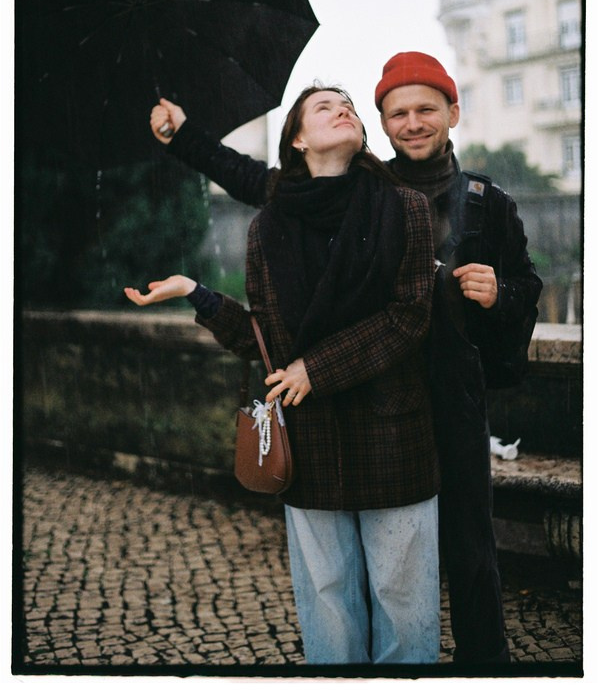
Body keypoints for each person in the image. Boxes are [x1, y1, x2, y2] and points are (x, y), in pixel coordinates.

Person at [150, 51, 542, 666]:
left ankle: (483, 671)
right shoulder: (357, 188)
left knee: (466, 552)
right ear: (382, 124)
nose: (412, 123)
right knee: (345, 583)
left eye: (426, 110)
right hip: (365, 395)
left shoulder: (478, 200)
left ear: (453, 113)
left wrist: (500, 292)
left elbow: (523, 290)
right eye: (398, 113)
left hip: (447, 391)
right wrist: (184, 136)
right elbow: (253, 179)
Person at [128, 85, 441, 665]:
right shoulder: (268, 225)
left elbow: (409, 318)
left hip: (393, 432)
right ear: (297, 138)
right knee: (327, 602)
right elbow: (266, 344)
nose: (343, 109)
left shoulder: (405, 207)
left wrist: (315, 369)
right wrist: (196, 293)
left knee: (404, 605)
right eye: (325, 106)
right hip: (309, 437)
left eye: (348, 105)